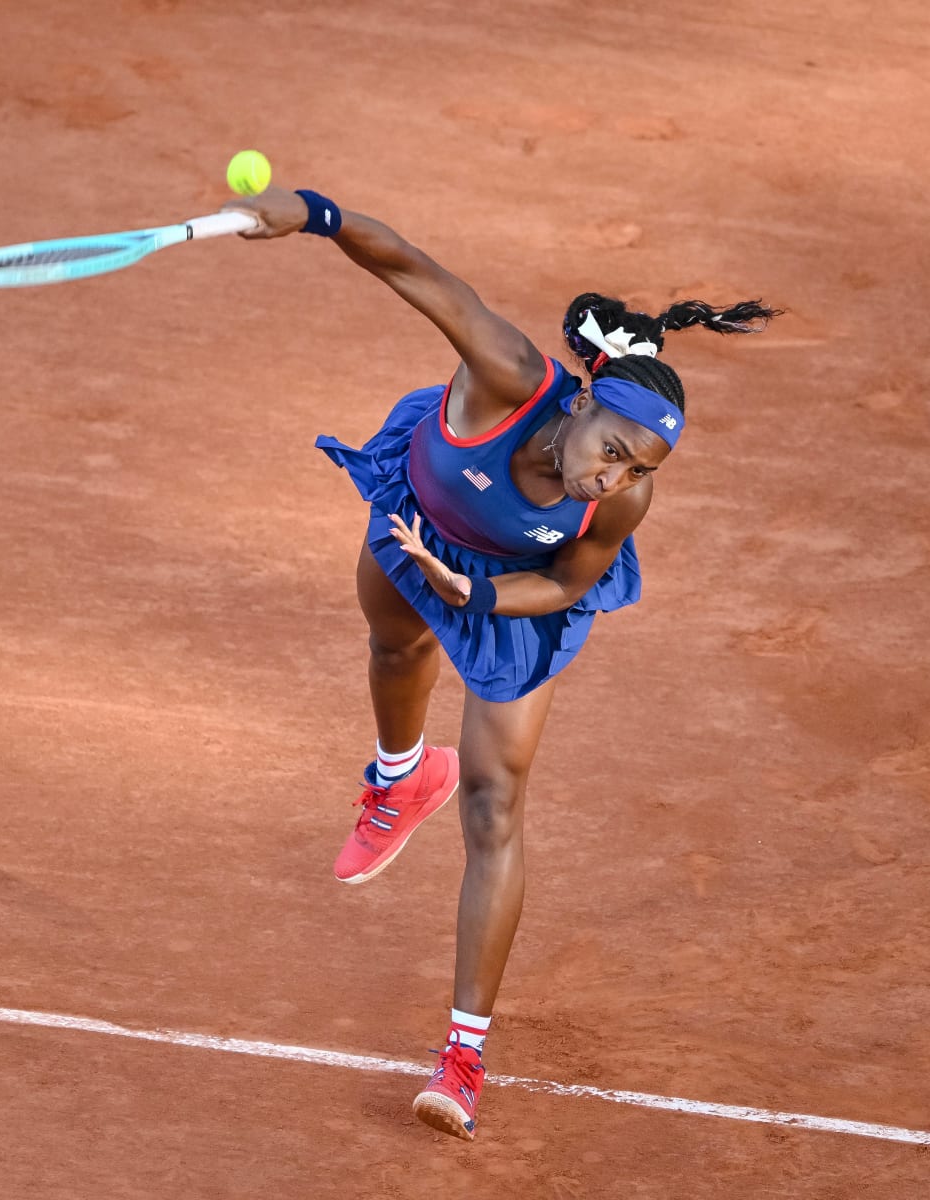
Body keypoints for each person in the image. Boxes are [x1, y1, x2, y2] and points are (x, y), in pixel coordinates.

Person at [222, 183, 778, 1140]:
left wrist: (474, 594)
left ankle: (463, 1053)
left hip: (506, 590)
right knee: (392, 643)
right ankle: (400, 776)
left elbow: (566, 583)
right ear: (587, 402)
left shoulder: (618, 504)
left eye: (637, 472)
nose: (612, 478)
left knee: (496, 801)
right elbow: (409, 267)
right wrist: (310, 215)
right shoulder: (509, 373)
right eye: (612, 452)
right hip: (421, 512)